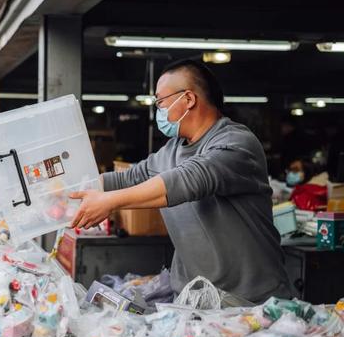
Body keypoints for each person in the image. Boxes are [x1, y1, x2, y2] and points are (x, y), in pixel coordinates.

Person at [70, 59, 291, 303]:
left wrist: (109, 202)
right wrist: (71, 188)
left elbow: (189, 179)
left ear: (188, 99)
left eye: (160, 101)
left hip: (251, 302)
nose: (158, 110)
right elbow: (130, 178)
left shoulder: (236, 143)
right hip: (195, 303)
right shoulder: (171, 151)